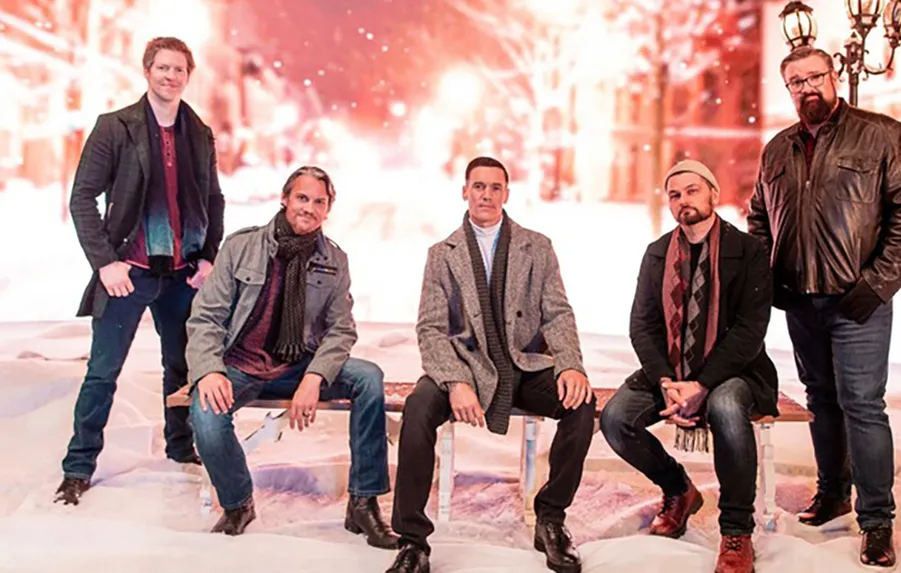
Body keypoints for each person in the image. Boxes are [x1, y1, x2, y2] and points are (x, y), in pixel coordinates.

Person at [748, 46, 901, 568]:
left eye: (814, 77)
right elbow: (760, 219)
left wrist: (874, 287)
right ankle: (833, 493)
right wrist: (768, 281)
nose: (807, 88)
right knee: (820, 399)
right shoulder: (777, 149)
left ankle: (877, 521)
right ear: (788, 90)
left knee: (864, 406)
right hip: (801, 301)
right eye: (795, 82)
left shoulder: (880, 135)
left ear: (834, 77)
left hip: (860, 301)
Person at [386, 156, 595, 573]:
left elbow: (557, 313)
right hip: (466, 366)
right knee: (419, 407)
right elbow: (430, 328)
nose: (486, 194)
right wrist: (456, 381)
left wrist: (570, 365)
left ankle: (551, 520)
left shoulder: (536, 246)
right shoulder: (442, 254)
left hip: (524, 364)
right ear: (465, 191)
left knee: (580, 402)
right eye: (478, 186)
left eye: (495, 187)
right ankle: (413, 541)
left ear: (506, 194)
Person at [182, 166, 397, 545]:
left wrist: (314, 378)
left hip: (301, 363)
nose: (309, 208)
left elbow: (341, 328)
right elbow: (206, 316)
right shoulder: (241, 246)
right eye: (302, 198)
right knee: (206, 415)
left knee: (368, 376)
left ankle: (363, 503)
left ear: (328, 210)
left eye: (319, 202)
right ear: (284, 199)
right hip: (243, 364)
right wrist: (209, 371)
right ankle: (238, 503)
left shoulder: (334, 259)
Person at [56, 37, 225, 505]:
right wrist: (106, 262)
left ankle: (181, 448)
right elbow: (82, 198)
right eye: (163, 68)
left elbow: (213, 199)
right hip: (127, 272)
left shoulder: (200, 133)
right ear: (147, 71)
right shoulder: (115, 127)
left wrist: (209, 256)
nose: (171, 77)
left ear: (188, 77)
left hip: (183, 274)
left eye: (179, 70)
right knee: (102, 372)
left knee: (183, 369)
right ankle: (78, 467)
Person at [600, 160, 776, 573]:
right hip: (668, 371)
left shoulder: (747, 251)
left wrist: (702, 383)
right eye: (675, 195)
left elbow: (751, 330)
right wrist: (665, 381)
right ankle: (678, 489)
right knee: (615, 419)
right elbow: (641, 325)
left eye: (693, 191)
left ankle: (736, 531)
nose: (684, 201)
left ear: (714, 194)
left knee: (727, 408)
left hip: (735, 369)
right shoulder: (658, 253)